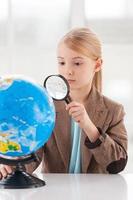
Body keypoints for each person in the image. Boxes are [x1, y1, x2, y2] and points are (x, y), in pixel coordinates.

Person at [0, 27, 128, 178]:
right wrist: (12, 166)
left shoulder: (113, 111)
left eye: (77, 63)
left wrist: (89, 127)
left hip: (96, 193)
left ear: (97, 65)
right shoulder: (46, 108)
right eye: (62, 63)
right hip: (56, 192)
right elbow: (32, 157)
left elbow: (116, 165)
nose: (68, 71)